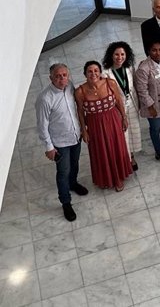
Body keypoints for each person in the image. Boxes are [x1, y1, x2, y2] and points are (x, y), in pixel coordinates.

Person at [35, 64, 89, 221]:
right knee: (63, 172)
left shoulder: (70, 86)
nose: (62, 78)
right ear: (51, 78)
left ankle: (73, 184)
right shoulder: (45, 99)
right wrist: (49, 147)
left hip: (75, 137)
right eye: (58, 76)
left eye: (65, 75)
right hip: (60, 143)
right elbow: (42, 126)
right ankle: (66, 202)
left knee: (75, 164)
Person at [75, 61, 132, 192]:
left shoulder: (110, 83)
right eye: (90, 71)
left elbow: (118, 101)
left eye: (96, 70)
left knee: (116, 148)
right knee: (101, 151)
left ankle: (118, 178)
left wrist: (124, 117)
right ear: (85, 74)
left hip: (113, 120)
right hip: (95, 125)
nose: (93, 73)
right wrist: (84, 130)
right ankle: (106, 179)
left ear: (100, 72)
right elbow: (80, 112)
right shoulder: (80, 91)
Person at [102, 42, 143, 171]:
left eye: (122, 54)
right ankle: (126, 159)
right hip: (117, 108)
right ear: (111, 55)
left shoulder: (129, 68)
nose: (119, 57)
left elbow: (135, 85)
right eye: (116, 54)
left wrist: (140, 102)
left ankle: (132, 155)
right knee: (123, 133)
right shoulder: (106, 74)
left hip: (132, 103)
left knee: (133, 131)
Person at [134, 41, 160, 164]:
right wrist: (150, 106)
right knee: (155, 128)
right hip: (153, 104)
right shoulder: (143, 68)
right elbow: (142, 90)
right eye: (154, 50)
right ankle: (159, 151)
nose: (157, 53)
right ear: (148, 51)